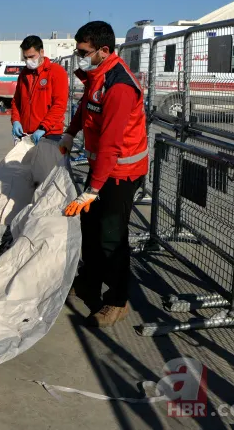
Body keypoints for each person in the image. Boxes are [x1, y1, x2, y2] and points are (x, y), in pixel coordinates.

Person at [59, 21, 148, 328]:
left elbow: (111, 143)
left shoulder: (120, 86)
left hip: (121, 172)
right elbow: (86, 107)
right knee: (89, 225)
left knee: (112, 236)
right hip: (102, 169)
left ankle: (118, 300)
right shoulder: (97, 77)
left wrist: (93, 189)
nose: (78, 55)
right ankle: (88, 282)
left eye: (83, 51)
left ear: (104, 51)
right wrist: (70, 134)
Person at [10, 35, 69, 145]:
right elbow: (16, 101)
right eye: (25, 58)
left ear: (41, 52)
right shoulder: (24, 74)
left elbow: (59, 105)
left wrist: (43, 127)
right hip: (25, 133)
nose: (28, 61)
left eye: (32, 56)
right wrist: (16, 120)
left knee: (46, 162)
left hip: (49, 133)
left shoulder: (56, 72)